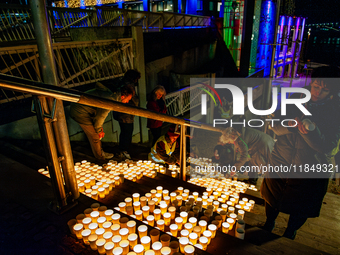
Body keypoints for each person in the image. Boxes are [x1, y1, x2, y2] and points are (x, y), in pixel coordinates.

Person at [261, 66, 340, 240]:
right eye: (315, 86)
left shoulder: (335, 111)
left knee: (301, 205)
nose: (317, 92)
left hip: (310, 168)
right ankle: (269, 223)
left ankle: (291, 231)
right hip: (281, 160)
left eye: (324, 89)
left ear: (332, 91)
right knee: (273, 198)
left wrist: (310, 132)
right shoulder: (296, 97)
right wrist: (290, 126)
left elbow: (330, 147)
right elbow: (274, 125)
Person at [70, 82, 134, 161]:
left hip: (84, 110)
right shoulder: (111, 101)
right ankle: (100, 158)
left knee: (97, 131)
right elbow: (100, 116)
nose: (127, 102)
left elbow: (99, 114)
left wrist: (100, 128)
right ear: (123, 96)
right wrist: (99, 130)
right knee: (95, 136)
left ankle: (100, 152)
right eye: (128, 100)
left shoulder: (113, 94)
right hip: (80, 112)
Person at [114, 69, 141, 160]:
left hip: (120, 113)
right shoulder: (128, 86)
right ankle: (124, 151)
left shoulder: (121, 82)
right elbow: (134, 100)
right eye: (136, 79)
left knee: (124, 132)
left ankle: (123, 150)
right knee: (127, 132)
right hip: (126, 114)